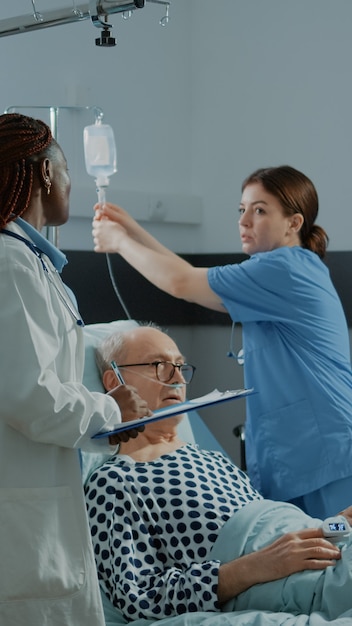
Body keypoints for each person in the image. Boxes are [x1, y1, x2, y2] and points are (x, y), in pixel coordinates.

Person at [91, 165, 352, 520]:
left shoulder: (284, 268)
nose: (244, 220)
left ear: (294, 222)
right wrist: (132, 228)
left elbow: (181, 283)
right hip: (301, 453)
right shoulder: (282, 271)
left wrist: (119, 241)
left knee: (336, 563)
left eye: (260, 210)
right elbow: (188, 276)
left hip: (322, 452)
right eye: (241, 209)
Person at [84, 323, 352, 623]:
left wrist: (335, 527)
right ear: (114, 381)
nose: (176, 379)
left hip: (328, 547)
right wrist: (256, 566)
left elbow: (279, 535)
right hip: (303, 580)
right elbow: (140, 599)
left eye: (180, 366)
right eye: (158, 365)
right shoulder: (114, 482)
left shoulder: (210, 459)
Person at [0, 113, 151, 626]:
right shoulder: (9, 263)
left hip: (38, 497)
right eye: (67, 172)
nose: (71, 186)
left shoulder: (30, 261)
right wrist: (113, 410)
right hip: (21, 515)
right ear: (44, 174)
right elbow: (30, 395)